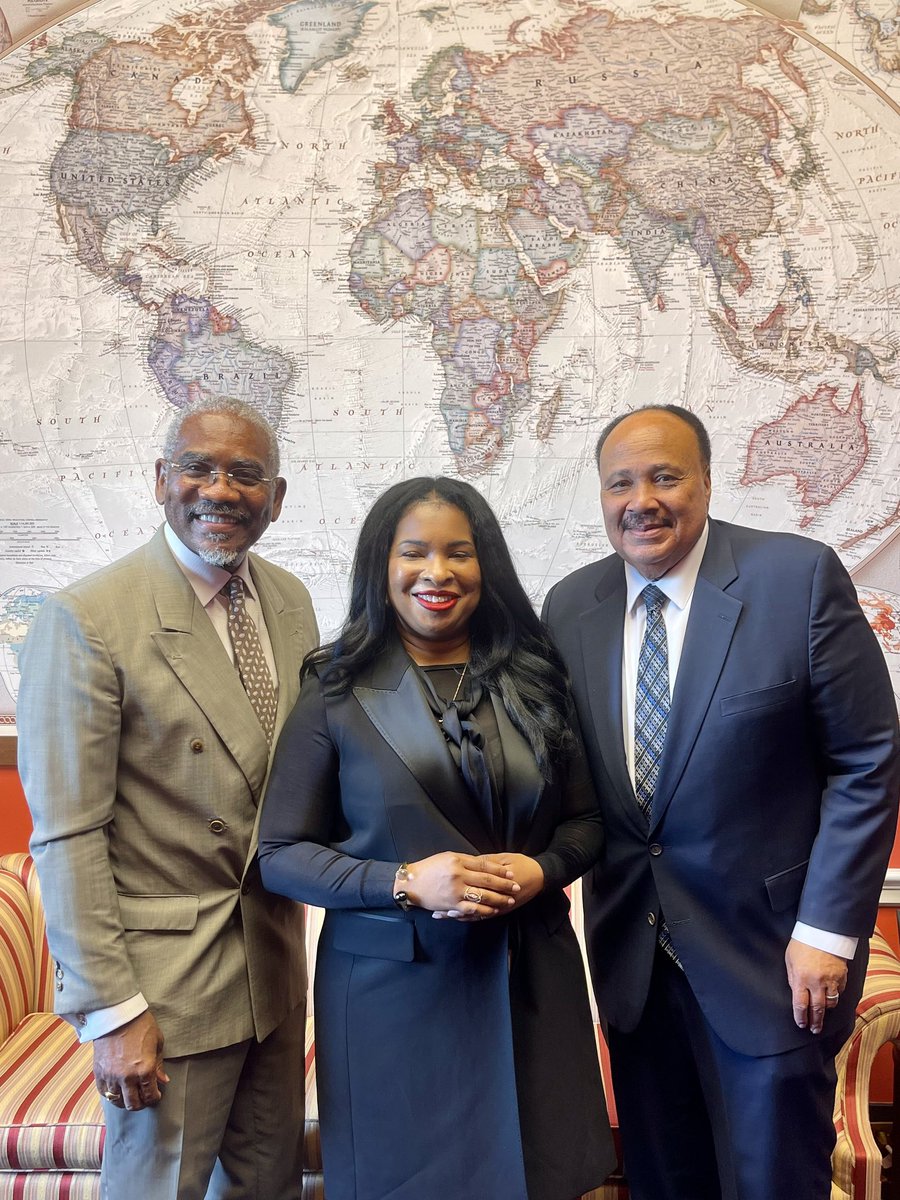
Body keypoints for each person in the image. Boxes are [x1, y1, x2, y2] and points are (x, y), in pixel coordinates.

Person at [542, 403, 900, 1200]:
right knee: (667, 1183)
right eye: (621, 483)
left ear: (706, 480)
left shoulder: (795, 577)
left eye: (667, 476)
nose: (644, 500)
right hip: (635, 967)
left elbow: (867, 760)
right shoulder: (570, 607)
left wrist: (827, 934)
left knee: (772, 1180)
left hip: (772, 965)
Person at [258, 476, 615, 1200]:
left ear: (486, 566)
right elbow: (281, 856)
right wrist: (402, 881)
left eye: (460, 553)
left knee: (541, 1174)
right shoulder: (334, 687)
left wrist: (542, 870)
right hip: (392, 992)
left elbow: (588, 824)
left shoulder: (539, 676)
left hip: (531, 978)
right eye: (414, 552)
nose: (437, 573)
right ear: (380, 566)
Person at [17, 397, 319, 1200]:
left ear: (276, 498)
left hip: (273, 970)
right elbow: (68, 837)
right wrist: (111, 1014)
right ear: (161, 481)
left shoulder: (290, 602)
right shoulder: (88, 619)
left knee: (270, 1190)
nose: (220, 489)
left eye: (246, 474)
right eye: (198, 467)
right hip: (166, 991)